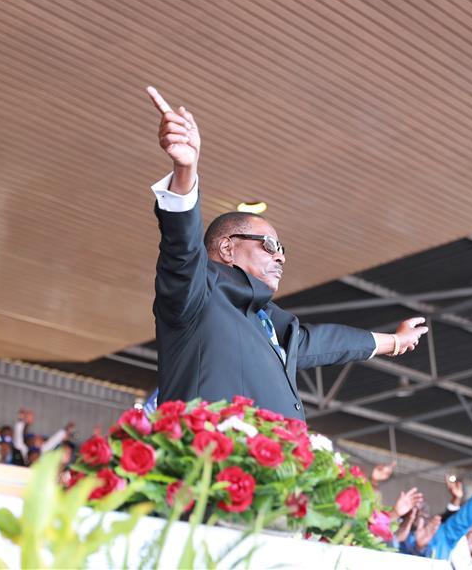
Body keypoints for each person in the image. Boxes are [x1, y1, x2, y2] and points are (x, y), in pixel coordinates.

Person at [145, 87, 429, 419]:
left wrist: (395, 342)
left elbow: (323, 342)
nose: (279, 257)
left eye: (282, 250)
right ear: (226, 248)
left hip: (270, 467)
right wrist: (185, 172)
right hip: (210, 466)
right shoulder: (198, 293)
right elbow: (181, 249)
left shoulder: (267, 323)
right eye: (269, 245)